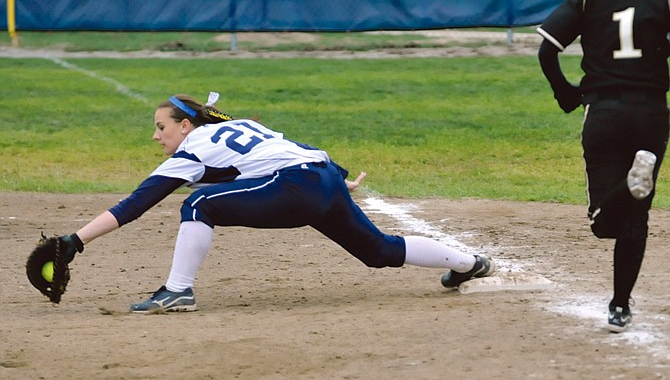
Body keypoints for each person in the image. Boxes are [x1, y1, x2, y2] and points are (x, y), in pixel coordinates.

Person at [55, 92, 496, 313]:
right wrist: (338, 179)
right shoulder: (239, 126)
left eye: (160, 127)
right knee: (378, 250)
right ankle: (467, 262)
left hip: (297, 187)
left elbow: (137, 202)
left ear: (185, 125)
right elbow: (294, 147)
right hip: (319, 176)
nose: (156, 136)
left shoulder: (193, 147)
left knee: (197, 204)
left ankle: (176, 291)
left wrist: (76, 240)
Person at [537, 0, 669, 333]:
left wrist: (565, 92)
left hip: (605, 112)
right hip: (651, 112)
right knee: (636, 217)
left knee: (603, 222)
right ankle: (619, 306)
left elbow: (547, 49)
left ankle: (630, 188)